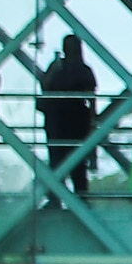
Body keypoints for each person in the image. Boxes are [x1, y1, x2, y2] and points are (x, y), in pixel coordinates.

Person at [37, 32, 98, 194]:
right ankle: (58, 196)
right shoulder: (59, 66)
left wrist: (92, 120)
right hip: (59, 117)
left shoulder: (84, 69)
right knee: (57, 159)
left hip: (74, 117)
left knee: (75, 160)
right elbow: (44, 84)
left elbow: (91, 97)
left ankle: (79, 195)